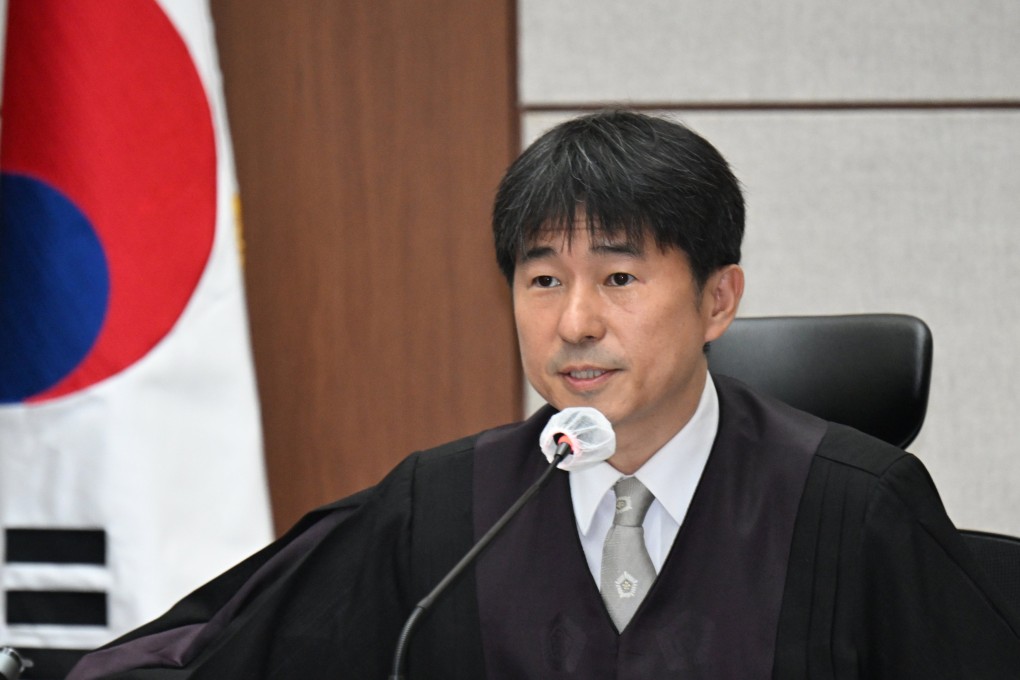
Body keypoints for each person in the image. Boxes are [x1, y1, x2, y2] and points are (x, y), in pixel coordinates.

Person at [69, 111, 1020, 679]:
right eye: (541, 280)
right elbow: (218, 655)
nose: (573, 324)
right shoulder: (443, 514)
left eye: (618, 279)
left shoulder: (852, 508)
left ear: (718, 299)